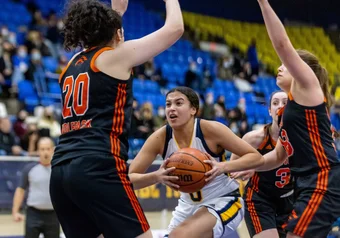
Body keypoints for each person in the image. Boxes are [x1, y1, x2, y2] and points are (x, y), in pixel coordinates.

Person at [49, 0, 184, 237]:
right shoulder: (113, 57)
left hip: (61, 171)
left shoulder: (72, 63)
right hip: (98, 164)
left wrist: (117, 13)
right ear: (115, 32)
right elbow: (175, 29)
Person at [129, 86, 264, 238]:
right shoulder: (159, 138)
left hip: (224, 200)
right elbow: (129, 180)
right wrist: (156, 177)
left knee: (180, 235)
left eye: (178, 103)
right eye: (168, 104)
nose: (171, 108)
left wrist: (222, 166)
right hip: (187, 206)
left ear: (193, 109)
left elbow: (256, 157)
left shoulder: (211, 129)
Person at [254, 0, 340, 237]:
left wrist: (263, 3)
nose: (279, 68)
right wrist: (237, 166)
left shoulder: (307, 86)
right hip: (305, 182)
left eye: (285, 64)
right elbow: (276, 157)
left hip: (322, 179)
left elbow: (282, 44)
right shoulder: (286, 109)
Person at [230, 91, 294, 238]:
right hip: (260, 200)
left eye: (285, 102)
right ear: (269, 110)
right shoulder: (254, 138)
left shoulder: (302, 138)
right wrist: (246, 167)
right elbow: (233, 167)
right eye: (275, 103)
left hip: (290, 200)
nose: (280, 106)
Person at [12, 137, 60, 238]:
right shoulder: (29, 169)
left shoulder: (58, 170)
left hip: (53, 215)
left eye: (48, 148)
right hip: (33, 214)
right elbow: (20, 190)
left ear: (52, 149)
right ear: (38, 151)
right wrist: (15, 211)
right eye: (42, 149)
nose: (45, 152)